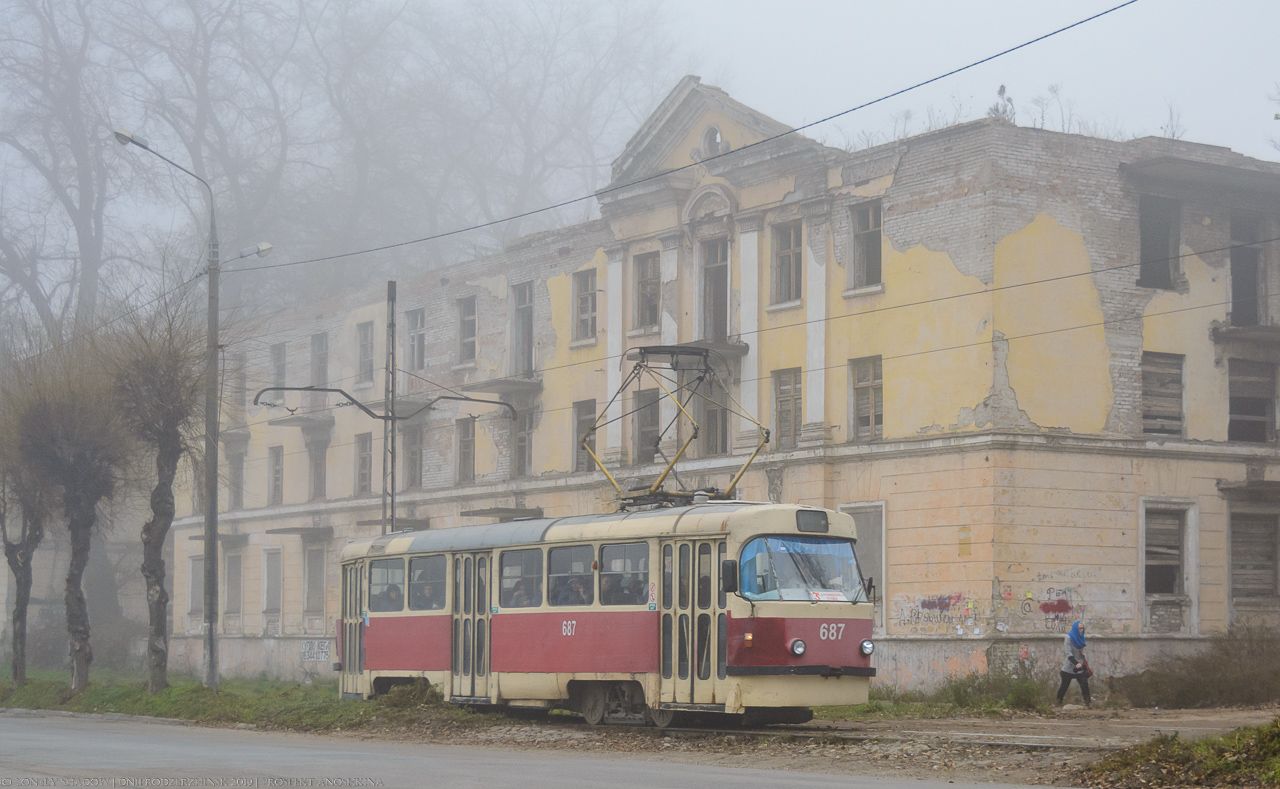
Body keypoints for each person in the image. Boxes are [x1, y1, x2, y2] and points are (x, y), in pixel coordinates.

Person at [1057, 620, 1092, 706]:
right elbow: (1068, 653)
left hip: (1079, 666)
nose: (1081, 630)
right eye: (1079, 628)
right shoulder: (1068, 638)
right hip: (1069, 666)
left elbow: (1081, 653)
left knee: (1084, 684)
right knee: (1064, 686)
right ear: (1075, 629)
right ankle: (1058, 701)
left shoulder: (1081, 638)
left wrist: (1081, 663)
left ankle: (1088, 703)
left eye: (1082, 628)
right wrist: (1076, 663)